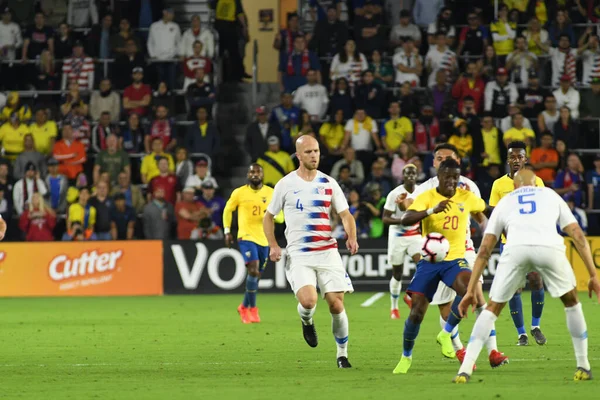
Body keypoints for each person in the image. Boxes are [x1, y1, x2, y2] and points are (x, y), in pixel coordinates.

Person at [453, 169, 600, 383]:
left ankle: (464, 371)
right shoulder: (550, 194)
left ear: (514, 186)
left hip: (515, 249)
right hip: (549, 248)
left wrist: (470, 291)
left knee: (492, 308)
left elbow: (485, 249)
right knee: (571, 303)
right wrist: (593, 274)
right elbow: (577, 234)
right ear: (536, 183)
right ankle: (584, 366)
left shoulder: (505, 201)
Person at [398, 144, 507, 369]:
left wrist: (498, 231)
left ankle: (489, 350)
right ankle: (424, 352)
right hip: (432, 257)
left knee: (474, 294)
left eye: (449, 160)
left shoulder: (468, 190)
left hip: (461, 252)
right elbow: (409, 213)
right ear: (436, 167)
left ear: (458, 164)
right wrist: (427, 210)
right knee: (426, 310)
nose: (451, 179)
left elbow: (484, 212)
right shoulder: (426, 191)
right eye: (439, 158)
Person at [263, 135, 359, 368]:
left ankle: (342, 354)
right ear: (298, 155)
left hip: (327, 251)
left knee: (336, 305)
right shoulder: (285, 184)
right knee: (308, 302)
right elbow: (269, 216)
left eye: (316, 151)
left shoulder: (329, 182)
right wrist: (273, 245)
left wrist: (351, 236)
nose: (314, 155)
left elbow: (345, 214)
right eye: (308, 152)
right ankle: (307, 321)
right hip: (299, 254)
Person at [489, 141, 546, 346]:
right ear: (507, 159)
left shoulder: (536, 181)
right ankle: (521, 333)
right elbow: (495, 215)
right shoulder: (498, 185)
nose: (516, 160)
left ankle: (535, 326)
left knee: (536, 280)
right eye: (512, 157)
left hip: (532, 241)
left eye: (519, 156)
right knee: (514, 288)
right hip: (509, 243)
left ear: (525, 159)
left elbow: (543, 209)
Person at [223, 164, 284, 323]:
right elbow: (228, 210)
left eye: (258, 172)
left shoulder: (271, 193)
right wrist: (227, 231)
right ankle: (253, 309)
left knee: (255, 276)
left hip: (264, 239)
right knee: (254, 269)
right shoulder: (239, 193)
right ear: (248, 174)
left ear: (263, 175)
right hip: (246, 236)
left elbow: (281, 217)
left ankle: (243, 306)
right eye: (252, 172)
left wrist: (271, 214)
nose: (255, 174)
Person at [383, 164, 421, 319]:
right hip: (397, 236)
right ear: (403, 176)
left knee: (423, 266)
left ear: (417, 176)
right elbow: (385, 218)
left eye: (413, 173)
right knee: (397, 273)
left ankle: (410, 295)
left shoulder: (421, 191)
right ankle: (394, 307)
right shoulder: (394, 194)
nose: (411, 176)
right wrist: (402, 220)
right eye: (407, 173)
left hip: (415, 235)